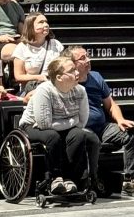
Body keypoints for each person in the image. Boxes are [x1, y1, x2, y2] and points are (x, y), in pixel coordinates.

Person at [65, 45, 134, 197]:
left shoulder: (96, 77)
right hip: (80, 129)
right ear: (72, 64)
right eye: (82, 58)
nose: (88, 60)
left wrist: (120, 119)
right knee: (87, 138)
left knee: (131, 133)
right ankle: (91, 180)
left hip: (101, 128)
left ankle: (130, 182)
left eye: (87, 56)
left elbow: (110, 105)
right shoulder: (68, 81)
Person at [18, 55, 100, 196]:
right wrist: (70, 122)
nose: (77, 73)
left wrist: (69, 124)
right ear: (59, 77)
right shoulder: (45, 90)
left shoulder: (80, 91)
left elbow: (81, 122)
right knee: (53, 136)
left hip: (59, 126)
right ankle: (55, 177)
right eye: (72, 70)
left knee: (79, 134)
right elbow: (44, 124)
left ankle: (69, 178)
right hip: (32, 126)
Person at [11, 12, 64, 95]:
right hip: (33, 90)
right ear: (31, 26)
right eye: (41, 22)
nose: (46, 25)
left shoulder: (56, 44)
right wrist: (38, 77)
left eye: (46, 22)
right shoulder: (22, 48)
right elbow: (18, 76)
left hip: (55, 88)